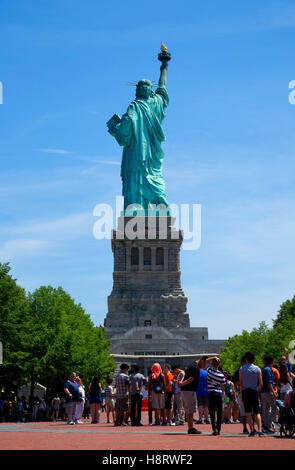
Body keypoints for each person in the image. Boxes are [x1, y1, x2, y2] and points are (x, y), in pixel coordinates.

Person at [107, 57, 170, 212]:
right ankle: (144, 208)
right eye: (147, 87)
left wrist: (164, 67)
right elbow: (161, 88)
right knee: (144, 176)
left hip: (147, 151)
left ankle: (149, 207)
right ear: (142, 90)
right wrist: (164, 66)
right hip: (138, 151)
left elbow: (162, 86)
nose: (149, 88)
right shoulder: (136, 107)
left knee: (150, 177)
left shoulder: (145, 105)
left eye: (148, 86)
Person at [239, 351, 264, 437]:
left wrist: (241, 394)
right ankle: (260, 431)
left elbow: (241, 383)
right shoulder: (257, 369)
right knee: (257, 412)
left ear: (246, 359)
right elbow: (261, 383)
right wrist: (257, 390)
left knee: (248, 412)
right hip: (254, 390)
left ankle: (252, 431)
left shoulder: (241, 369)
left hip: (246, 391)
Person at [178, 358, 202, 435]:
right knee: (190, 410)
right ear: (202, 361)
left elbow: (205, 359)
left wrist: (213, 357)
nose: (205, 366)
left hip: (186, 391)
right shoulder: (196, 367)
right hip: (190, 391)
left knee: (189, 410)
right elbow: (191, 379)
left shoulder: (191, 365)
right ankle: (191, 428)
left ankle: (190, 427)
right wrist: (182, 384)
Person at [205, 357, 226, 435]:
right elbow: (223, 386)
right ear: (218, 365)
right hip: (219, 393)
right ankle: (219, 428)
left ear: (212, 364)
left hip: (211, 393)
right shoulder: (221, 375)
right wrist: (223, 395)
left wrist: (213, 357)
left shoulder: (209, 371)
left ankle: (214, 429)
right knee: (219, 412)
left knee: (212, 412)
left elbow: (206, 361)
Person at [261, 355, 279, 434]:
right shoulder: (268, 369)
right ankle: (267, 424)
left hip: (263, 391)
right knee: (276, 408)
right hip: (268, 391)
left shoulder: (263, 369)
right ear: (272, 362)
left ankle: (265, 426)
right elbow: (269, 382)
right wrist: (274, 392)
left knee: (266, 409)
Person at [233, 356, 248, 434]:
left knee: (246, 410)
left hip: (242, 392)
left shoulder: (247, 370)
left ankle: (248, 427)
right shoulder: (239, 371)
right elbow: (235, 383)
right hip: (239, 393)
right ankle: (245, 426)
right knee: (242, 410)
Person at [196, 357, 209, 425]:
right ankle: (207, 419)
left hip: (199, 390)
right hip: (206, 390)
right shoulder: (206, 373)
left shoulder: (197, 372)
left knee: (200, 405)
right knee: (206, 406)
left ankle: (200, 419)